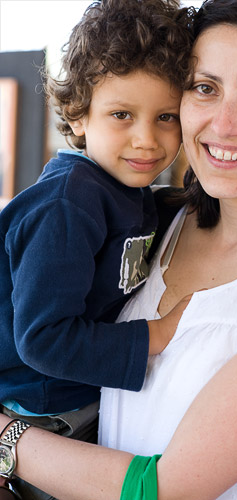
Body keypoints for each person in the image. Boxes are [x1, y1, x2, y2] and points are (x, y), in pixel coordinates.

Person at [0, 0, 237, 498]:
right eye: (204, 88)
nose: (224, 124)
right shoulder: (157, 217)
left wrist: (5, 440)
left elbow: (165, 488)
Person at [0, 0, 192, 493]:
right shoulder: (69, 203)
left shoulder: (127, 192)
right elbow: (44, 339)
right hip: (43, 408)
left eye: (166, 116)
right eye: (122, 114)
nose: (147, 140)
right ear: (79, 116)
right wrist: (158, 335)